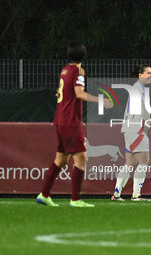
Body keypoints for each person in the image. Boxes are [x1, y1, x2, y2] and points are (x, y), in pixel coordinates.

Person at [36, 42, 113, 207]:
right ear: (84, 56)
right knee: (81, 159)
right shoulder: (78, 71)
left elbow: (60, 91)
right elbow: (79, 93)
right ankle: (76, 200)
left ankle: (44, 194)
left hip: (60, 119)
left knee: (61, 160)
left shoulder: (65, 70)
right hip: (70, 121)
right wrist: (101, 100)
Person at [111, 65, 151, 202]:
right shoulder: (137, 89)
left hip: (131, 128)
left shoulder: (137, 88)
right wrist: (150, 122)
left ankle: (117, 194)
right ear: (140, 75)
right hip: (136, 129)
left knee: (130, 163)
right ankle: (136, 195)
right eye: (148, 73)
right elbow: (141, 108)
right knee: (144, 161)